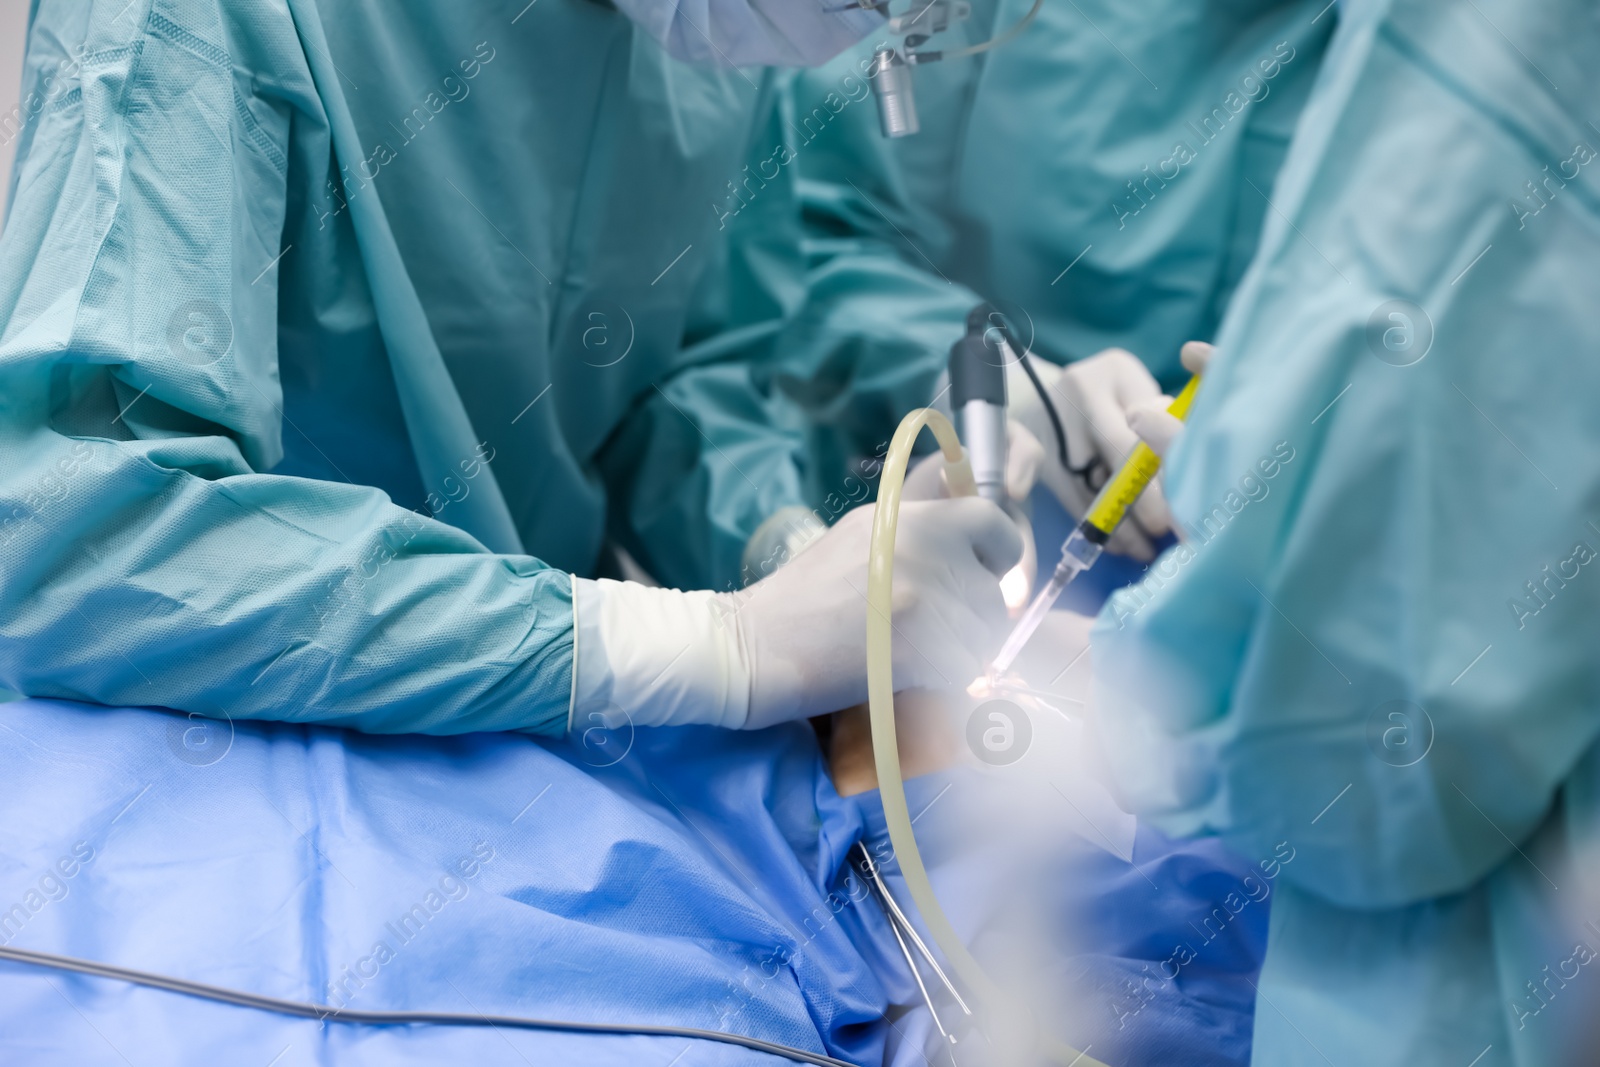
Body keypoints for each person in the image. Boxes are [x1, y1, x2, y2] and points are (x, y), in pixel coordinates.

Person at [0, 0, 1035, 738]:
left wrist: (797, 561)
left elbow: (673, 384)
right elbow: (82, 535)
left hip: (528, 735)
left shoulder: (711, 46)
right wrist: (695, 644)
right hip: (205, 747)